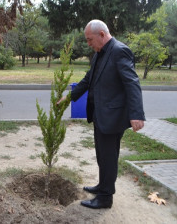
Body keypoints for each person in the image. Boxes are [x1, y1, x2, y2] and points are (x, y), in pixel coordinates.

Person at [59, 19, 145, 209]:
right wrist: (68, 98)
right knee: (102, 155)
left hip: (112, 117)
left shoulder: (119, 51)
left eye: (90, 40)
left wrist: (137, 114)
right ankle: (103, 185)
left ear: (102, 35)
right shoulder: (99, 53)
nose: (88, 44)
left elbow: (132, 83)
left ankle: (106, 198)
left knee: (108, 156)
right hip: (100, 114)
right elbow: (88, 79)